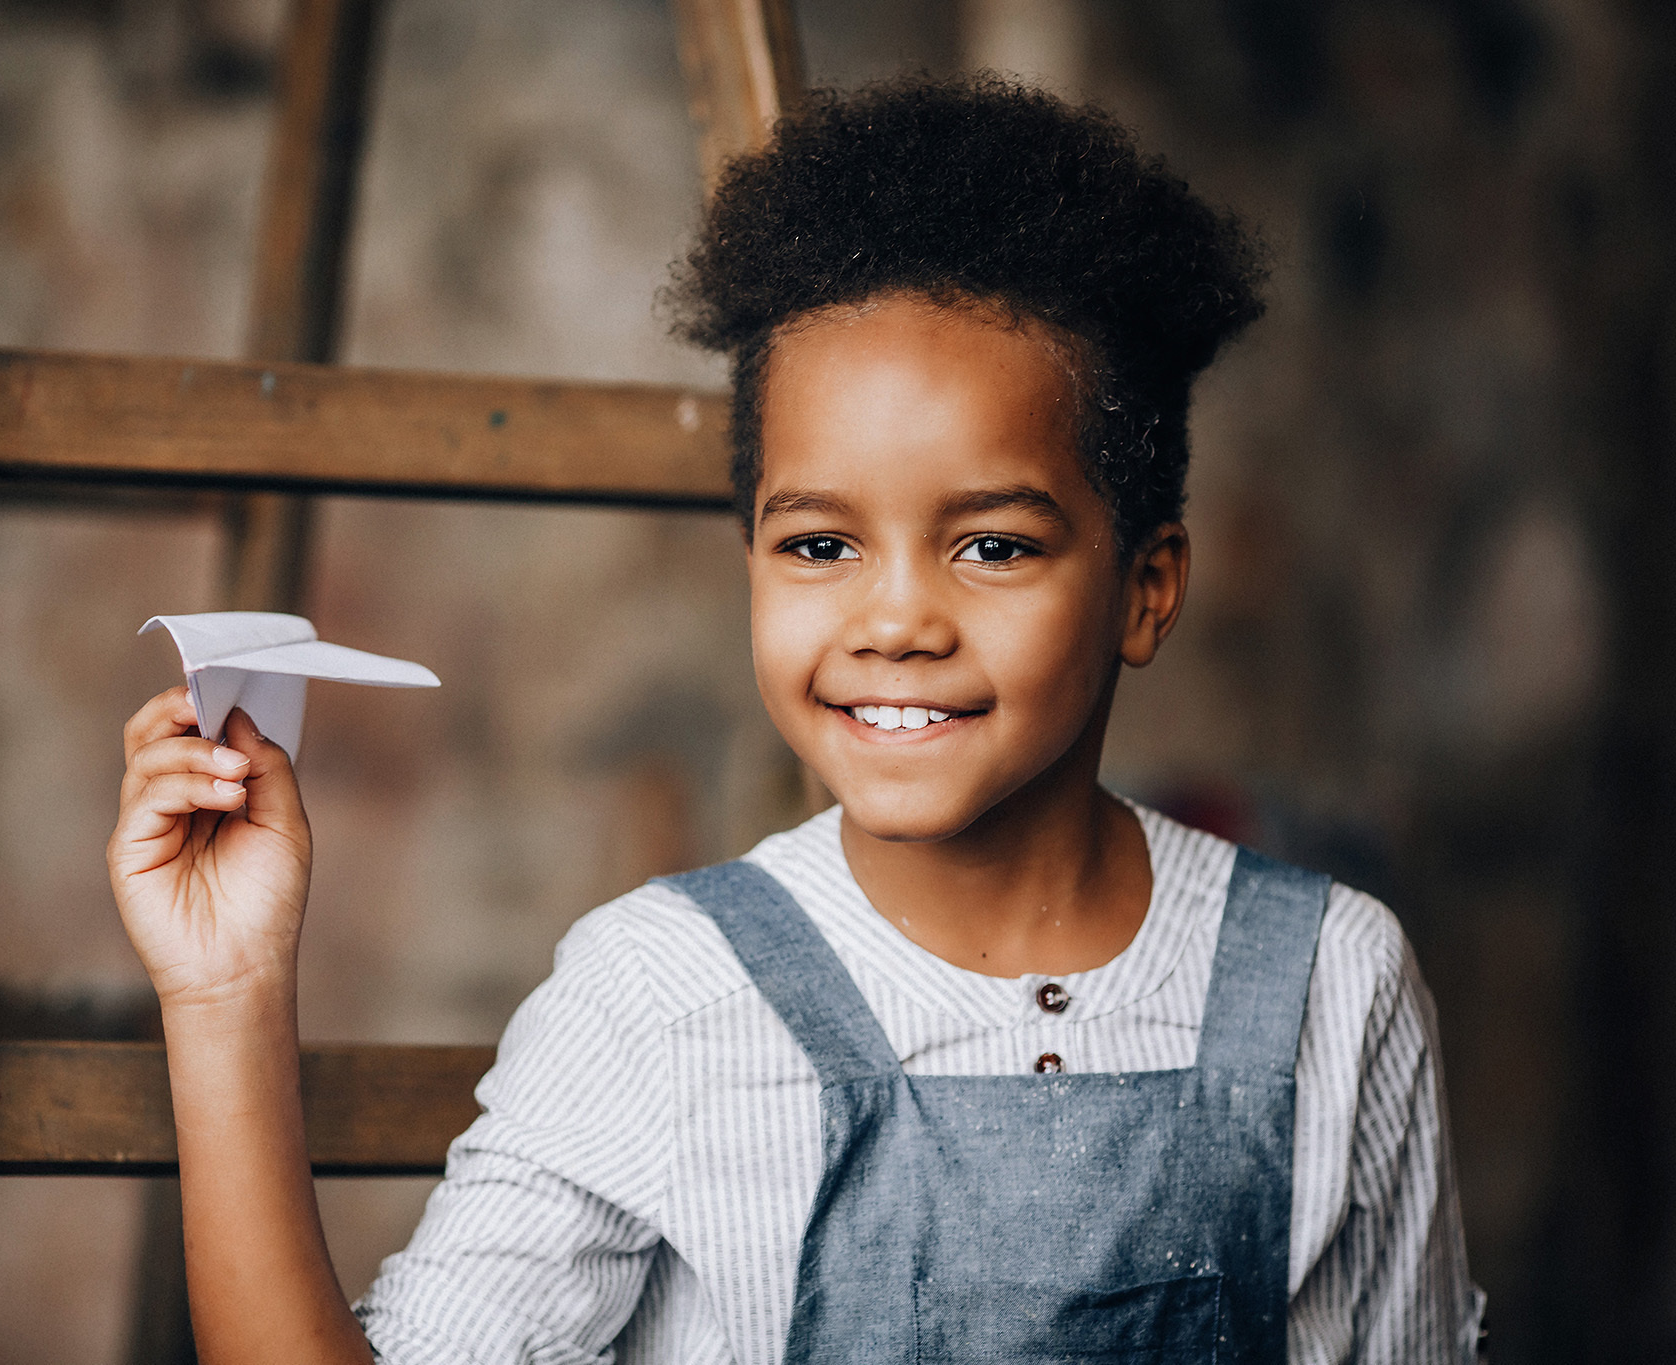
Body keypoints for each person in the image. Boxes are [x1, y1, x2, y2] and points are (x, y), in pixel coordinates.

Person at [108, 75, 1485, 1364]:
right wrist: (224, 995)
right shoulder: (657, 997)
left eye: (993, 546)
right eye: (820, 546)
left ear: (1146, 585)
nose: (894, 620)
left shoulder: (1333, 986)